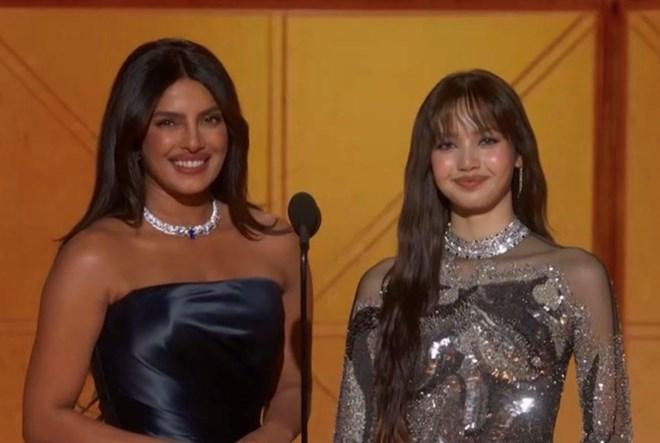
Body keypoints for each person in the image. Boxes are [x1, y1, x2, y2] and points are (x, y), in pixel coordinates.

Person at [23, 38, 302, 443]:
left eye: (210, 119)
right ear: (134, 134)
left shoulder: (278, 242)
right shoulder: (93, 256)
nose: (193, 141)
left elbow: (293, 385)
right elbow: (44, 420)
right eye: (168, 123)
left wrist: (274, 432)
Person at [334, 69, 632, 442]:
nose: (468, 161)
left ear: (518, 153)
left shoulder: (575, 276)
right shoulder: (385, 286)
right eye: (447, 145)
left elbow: (611, 434)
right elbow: (351, 435)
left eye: (486, 140)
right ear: (428, 161)